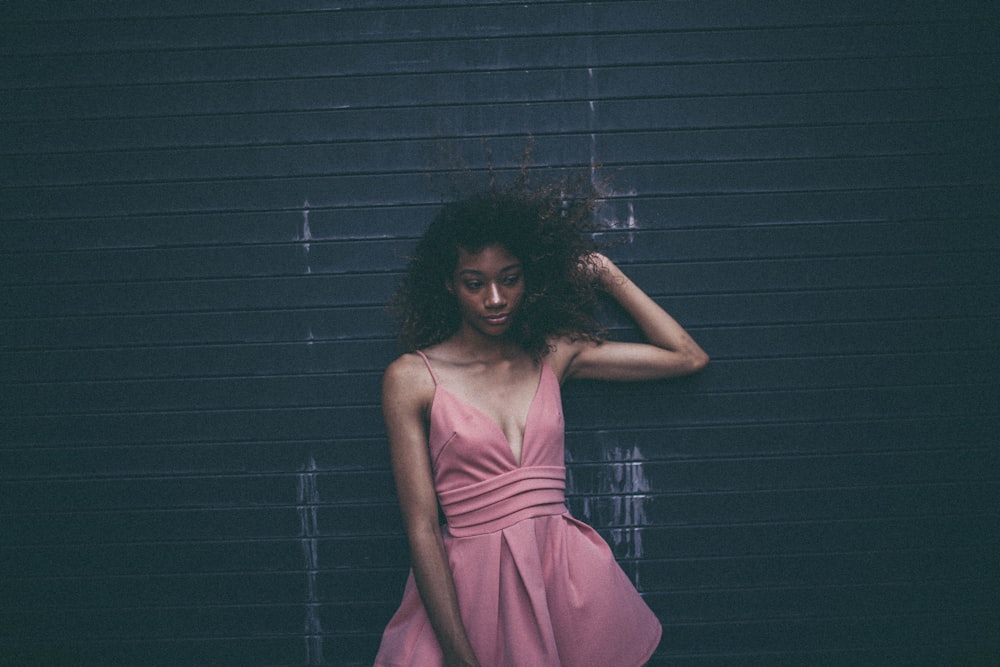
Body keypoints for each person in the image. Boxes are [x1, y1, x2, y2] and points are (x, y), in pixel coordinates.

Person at [374, 179, 708, 667]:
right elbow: (423, 527)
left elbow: (686, 356)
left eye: (509, 278)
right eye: (475, 283)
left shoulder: (553, 354)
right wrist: (458, 655)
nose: (495, 298)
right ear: (449, 284)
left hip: (566, 585)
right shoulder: (411, 378)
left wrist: (603, 272)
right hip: (472, 592)